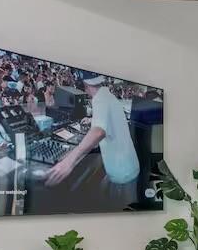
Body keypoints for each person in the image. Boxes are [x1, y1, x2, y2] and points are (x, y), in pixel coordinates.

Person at [45, 74, 140, 204]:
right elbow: (111, 120)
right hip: (128, 167)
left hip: (122, 173)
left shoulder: (99, 99)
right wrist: (92, 120)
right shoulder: (109, 96)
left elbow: (98, 132)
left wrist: (69, 161)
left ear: (85, 86)